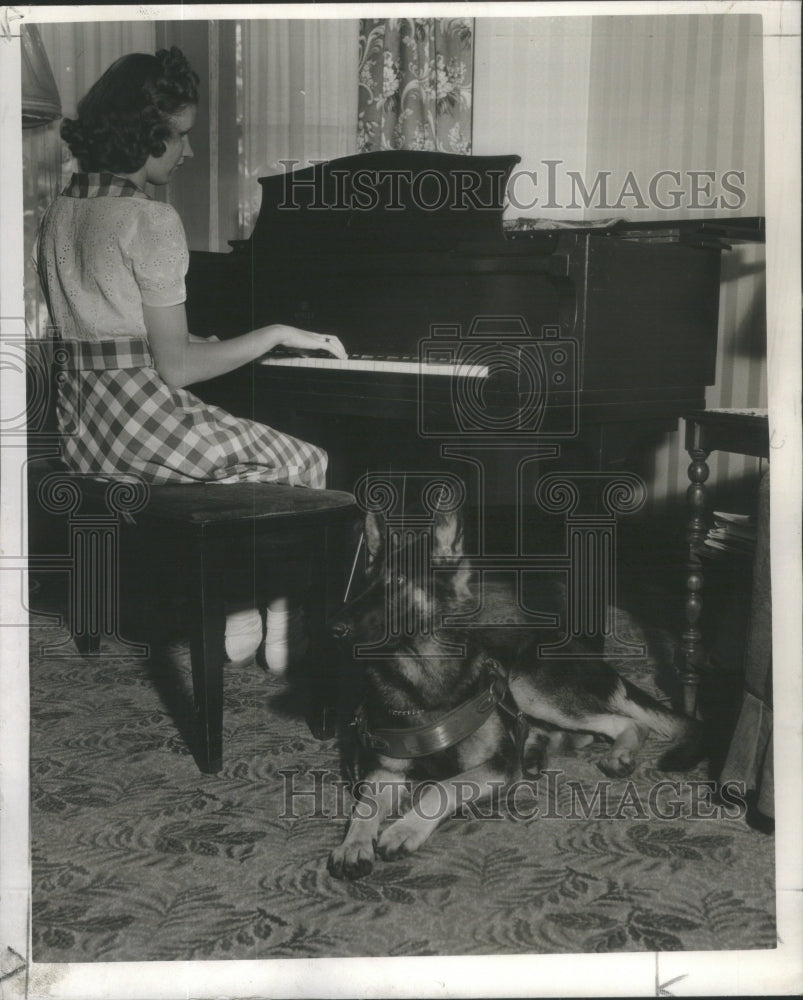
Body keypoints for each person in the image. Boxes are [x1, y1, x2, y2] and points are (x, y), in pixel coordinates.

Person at [37, 46, 347, 673]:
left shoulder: (60, 212)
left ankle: (240, 603)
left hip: (86, 434)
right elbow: (176, 370)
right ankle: (263, 605)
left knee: (241, 463)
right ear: (143, 135)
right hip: (143, 425)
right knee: (306, 459)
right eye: (180, 136)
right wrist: (276, 332)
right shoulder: (151, 220)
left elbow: (114, 334)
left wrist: (197, 343)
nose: (188, 151)